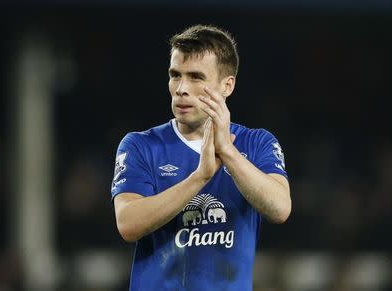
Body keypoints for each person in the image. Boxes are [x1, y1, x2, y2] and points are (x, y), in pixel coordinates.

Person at [111, 24, 291, 290]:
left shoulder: (256, 144)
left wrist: (228, 153)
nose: (182, 88)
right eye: (175, 75)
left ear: (227, 85)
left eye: (196, 77)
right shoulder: (140, 145)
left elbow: (280, 208)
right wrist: (200, 177)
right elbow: (128, 223)